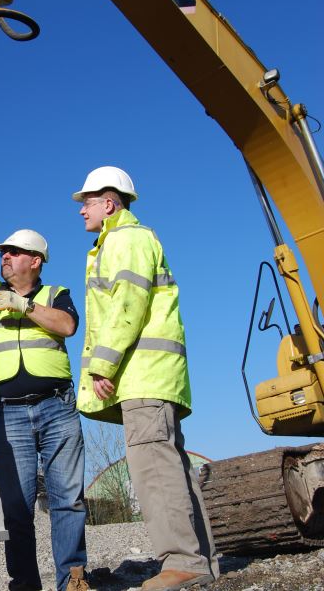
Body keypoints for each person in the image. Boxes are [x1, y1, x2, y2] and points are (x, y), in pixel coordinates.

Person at [73, 166, 217, 590]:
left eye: (87, 201)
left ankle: (183, 562)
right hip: (154, 377)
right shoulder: (130, 239)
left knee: (154, 470)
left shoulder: (125, 240)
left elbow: (127, 306)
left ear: (110, 202)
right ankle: (200, 561)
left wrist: (104, 363)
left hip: (142, 377)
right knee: (172, 467)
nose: (81, 210)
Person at [0, 227, 89, 591]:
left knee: (68, 500)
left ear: (35, 260)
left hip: (57, 408)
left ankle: (73, 579)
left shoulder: (55, 294)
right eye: (3, 253)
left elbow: (67, 325)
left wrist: (24, 306)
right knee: (16, 507)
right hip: (9, 413)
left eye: (14, 252)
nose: (5, 257)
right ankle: (25, 585)